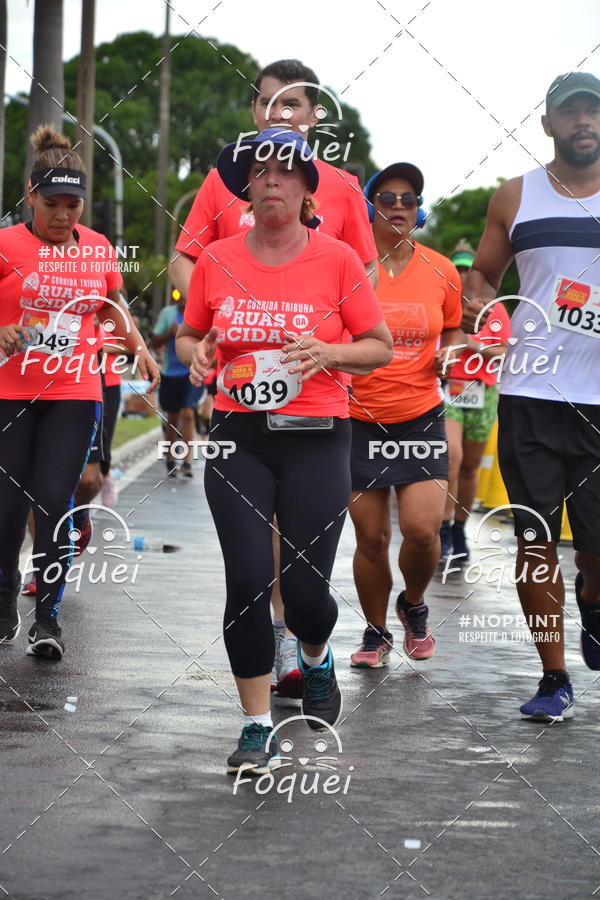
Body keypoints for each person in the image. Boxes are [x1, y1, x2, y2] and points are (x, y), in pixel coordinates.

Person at [176, 128, 392, 773]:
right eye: (259, 170)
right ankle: (254, 724)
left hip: (318, 438)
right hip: (239, 437)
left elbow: (379, 345)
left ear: (305, 188)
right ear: (247, 187)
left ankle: (317, 655)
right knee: (246, 582)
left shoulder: (338, 261)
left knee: (302, 591)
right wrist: (202, 355)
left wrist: (330, 353)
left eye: (284, 169)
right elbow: (189, 340)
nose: (270, 178)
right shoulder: (216, 259)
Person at [461, 72, 600, 721]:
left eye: (592, 112)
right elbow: (483, 278)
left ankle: (593, 604)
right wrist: (484, 311)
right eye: (569, 113)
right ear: (547, 123)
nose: (583, 123)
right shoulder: (515, 198)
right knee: (535, 539)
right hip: (531, 393)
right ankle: (554, 677)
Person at [0, 126, 159, 659]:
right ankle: (3, 610)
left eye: (74, 205)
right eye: (53, 204)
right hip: (11, 391)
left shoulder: (97, 249)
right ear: (30, 195)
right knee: (6, 505)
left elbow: (112, 306)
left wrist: (138, 347)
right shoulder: (6, 245)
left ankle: (47, 620)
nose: (65, 216)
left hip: (74, 388)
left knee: (54, 503)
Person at [348, 163, 463, 669]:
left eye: (409, 199)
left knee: (422, 530)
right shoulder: (348, 266)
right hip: (356, 417)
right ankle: (375, 633)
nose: (399, 206)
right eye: (388, 197)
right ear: (370, 206)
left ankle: (413, 603)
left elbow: (455, 329)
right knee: (370, 538)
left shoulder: (442, 269)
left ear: (419, 210)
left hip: (419, 415)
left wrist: (453, 353)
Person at [439, 241, 511, 567]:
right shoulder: (444, 303)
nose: (465, 274)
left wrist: (475, 345)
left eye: (469, 268)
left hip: (484, 391)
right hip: (450, 388)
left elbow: (506, 353)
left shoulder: (496, 309)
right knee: (451, 460)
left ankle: (458, 529)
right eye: (459, 268)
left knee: (469, 469)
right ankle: (441, 529)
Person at [152, 290, 204, 478]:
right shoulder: (168, 313)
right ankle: (171, 457)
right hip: (170, 373)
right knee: (172, 417)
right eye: (182, 294)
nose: (185, 298)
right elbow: (154, 340)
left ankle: (188, 460)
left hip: (192, 372)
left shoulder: (201, 314)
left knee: (188, 413)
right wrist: (170, 333)